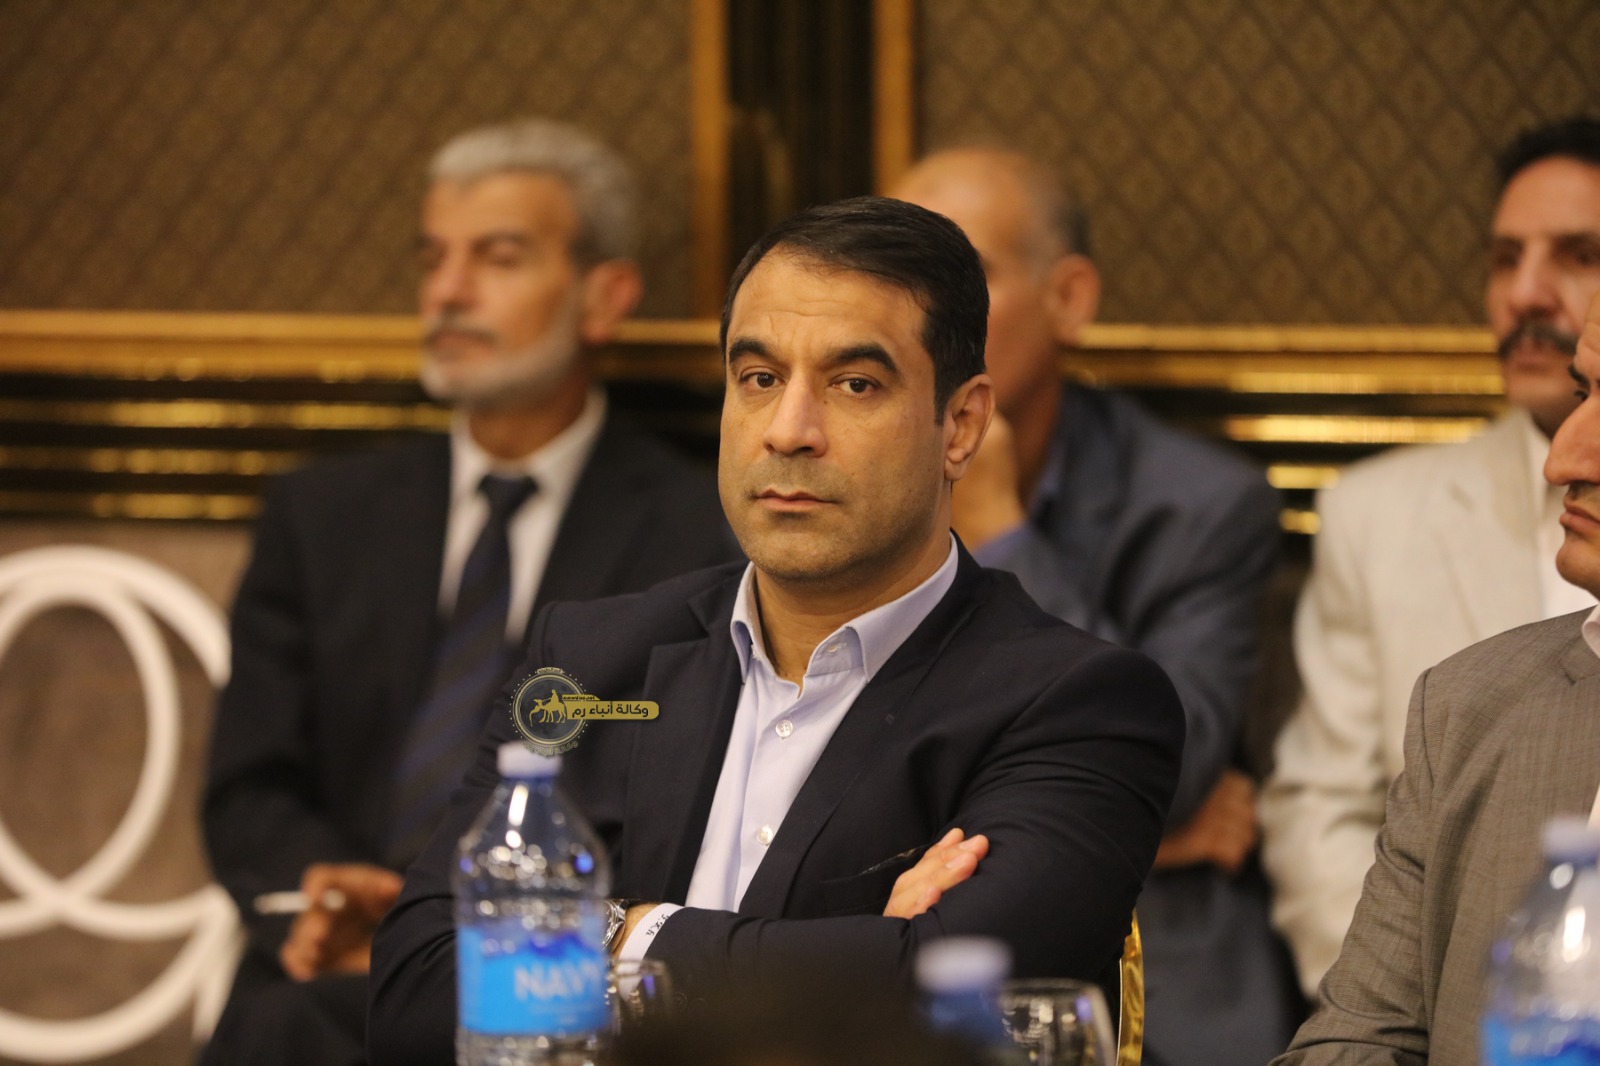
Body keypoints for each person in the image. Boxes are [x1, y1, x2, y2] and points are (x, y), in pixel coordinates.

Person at [367, 196, 1186, 1064]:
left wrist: (607, 934)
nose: (789, 432)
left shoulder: (1074, 704)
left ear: (961, 425)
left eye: (855, 384)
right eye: (759, 379)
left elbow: (961, 1003)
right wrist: (860, 955)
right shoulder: (591, 661)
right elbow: (416, 991)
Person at [200, 118, 740, 1066]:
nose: (448, 291)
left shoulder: (701, 534)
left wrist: (487, 924)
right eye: (433, 259)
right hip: (330, 971)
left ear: (604, 298)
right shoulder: (322, 516)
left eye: (498, 258)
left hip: (554, 979)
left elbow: (680, 798)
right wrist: (332, 895)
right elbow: (249, 785)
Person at [890, 148, 1298, 1066]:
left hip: (1139, 970)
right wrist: (1145, 836)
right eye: (896, 276)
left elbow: (1170, 769)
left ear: (1069, 298)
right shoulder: (818, 482)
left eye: (961, 275)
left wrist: (999, 531)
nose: (916, 312)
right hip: (892, 940)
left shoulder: (1199, 505)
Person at [1261, 115, 1600, 1000]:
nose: (1526, 293)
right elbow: (1320, 813)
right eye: (1504, 259)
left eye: (1580, 255)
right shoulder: (1377, 514)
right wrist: (1417, 1011)